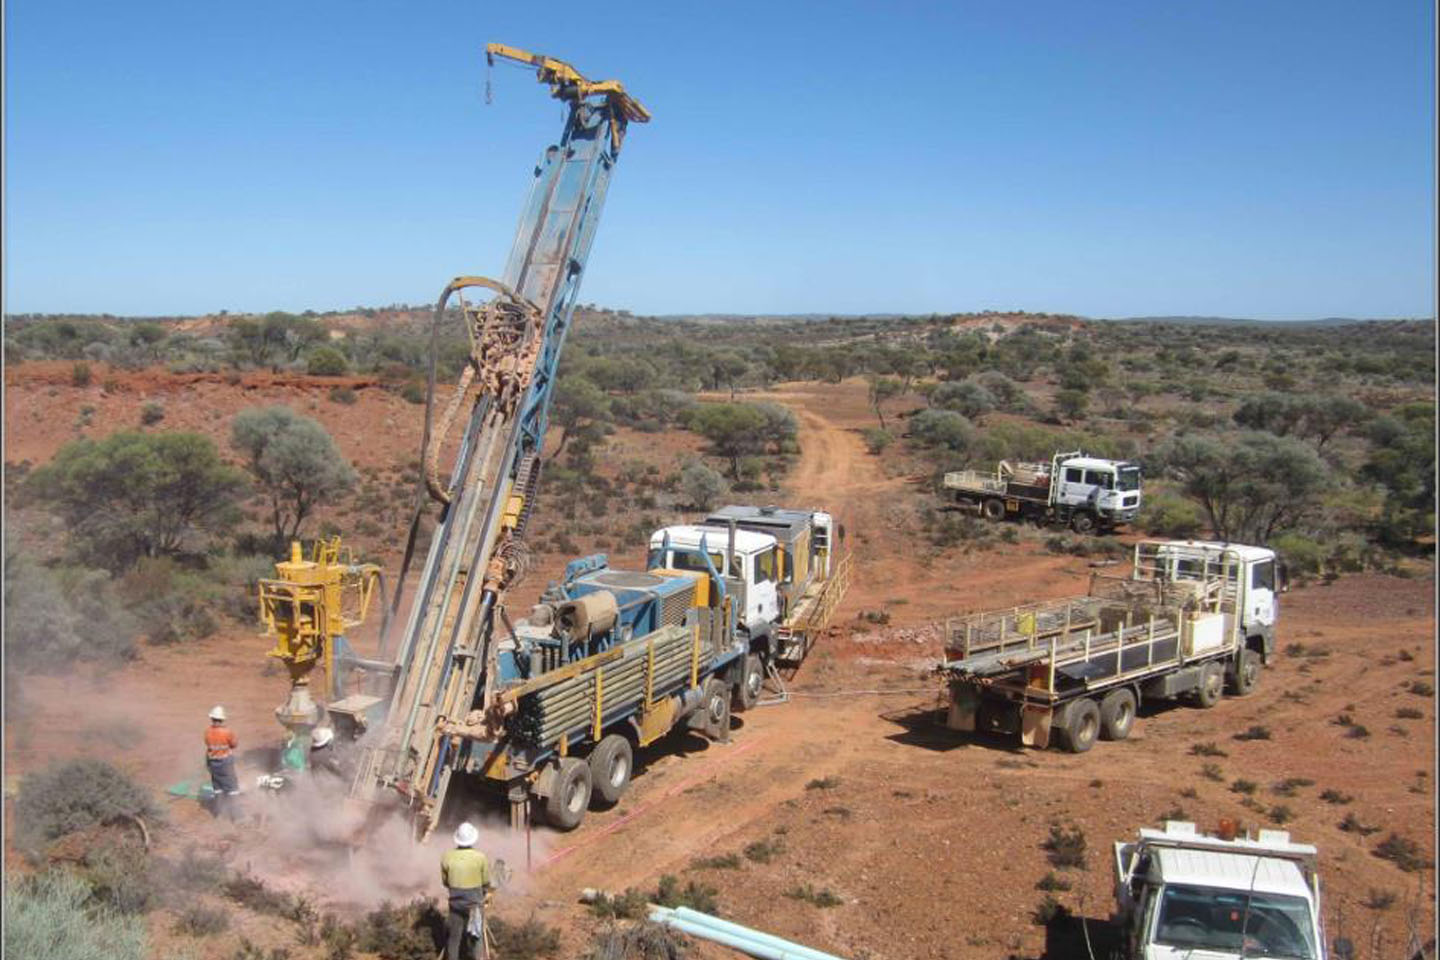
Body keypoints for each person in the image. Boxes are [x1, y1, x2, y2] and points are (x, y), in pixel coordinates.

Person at [441, 822, 493, 960]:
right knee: (476, 936)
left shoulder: (447, 857)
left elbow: (445, 882)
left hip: (455, 905)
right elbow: (486, 882)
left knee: (454, 938)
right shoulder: (480, 857)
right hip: (474, 905)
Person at [204, 706, 240, 821]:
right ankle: (237, 817)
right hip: (225, 763)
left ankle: (219, 814)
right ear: (222, 719)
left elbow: (208, 747)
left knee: (218, 788)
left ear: (212, 718)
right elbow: (234, 745)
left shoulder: (207, 732)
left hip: (213, 763)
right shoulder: (227, 732)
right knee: (233, 789)